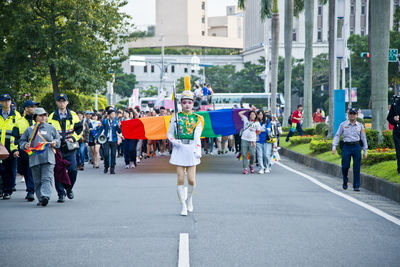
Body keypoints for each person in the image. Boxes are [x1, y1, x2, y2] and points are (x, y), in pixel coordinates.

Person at [167, 87, 203, 216]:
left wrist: (198, 149)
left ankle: (189, 199)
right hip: (179, 149)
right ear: (180, 103)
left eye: (189, 102)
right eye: (184, 102)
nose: (187, 105)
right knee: (180, 178)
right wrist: (174, 141)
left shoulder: (198, 119)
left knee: (192, 180)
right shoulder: (175, 117)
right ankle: (183, 205)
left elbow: (197, 135)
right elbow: (169, 133)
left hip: (191, 149)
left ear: (193, 103)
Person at [19, 108, 60, 206]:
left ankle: (45, 196)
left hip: (48, 158)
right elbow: (21, 142)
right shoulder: (29, 130)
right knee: (37, 180)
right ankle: (40, 198)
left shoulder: (51, 128)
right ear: (35, 117)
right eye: (40, 115)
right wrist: (25, 145)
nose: (43, 117)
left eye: (44, 115)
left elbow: (58, 140)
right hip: (34, 158)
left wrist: (55, 142)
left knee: (47, 178)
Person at [48, 93, 83, 203]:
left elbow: (79, 129)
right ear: (57, 102)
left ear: (67, 102)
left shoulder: (73, 115)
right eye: (60, 101)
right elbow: (49, 132)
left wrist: (73, 138)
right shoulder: (52, 116)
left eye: (64, 101)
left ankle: (69, 188)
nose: (62, 103)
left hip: (70, 147)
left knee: (73, 170)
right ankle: (61, 194)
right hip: (57, 149)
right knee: (58, 171)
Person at [332, 107, 368, 191]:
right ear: (348, 115)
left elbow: (363, 138)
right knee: (345, 166)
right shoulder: (343, 124)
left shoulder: (360, 126)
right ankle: (345, 179)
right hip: (346, 147)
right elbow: (337, 135)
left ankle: (356, 185)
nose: (352, 116)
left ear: (357, 115)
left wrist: (365, 150)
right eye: (350, 114)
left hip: (356, 146)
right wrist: (334, 146)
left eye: (354, 114)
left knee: (356, 167)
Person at [16, 100, 39, 201]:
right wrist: (15, 150)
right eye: (31, 107)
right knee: (23, 170)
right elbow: (15, 137)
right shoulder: (19, 122)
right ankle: (30, 188)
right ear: (26, 109)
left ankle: (31, 191)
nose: (33, 109)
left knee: (31, 170)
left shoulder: (38, 121)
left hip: (35, 151)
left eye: (34, 107)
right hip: (23, 150)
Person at [0, 94, 21, 199]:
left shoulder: (16, 115)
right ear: (1, 102)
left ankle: (8, 190)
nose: (6, 103)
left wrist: (17, 148)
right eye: (4, 101)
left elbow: (19, 132)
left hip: (11, 146)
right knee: (1, 169)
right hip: (0, 146)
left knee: (10, 169)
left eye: (8, 100)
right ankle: (1, 189)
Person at [96, 108, 121, 174]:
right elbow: (100, 130)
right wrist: (96, 138)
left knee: (113, 155)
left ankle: (112, 169)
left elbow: (119, 131)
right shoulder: (105, 121)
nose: (113, 115)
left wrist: (119, 126)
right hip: (106, 140)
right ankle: (106, 166)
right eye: (112, 114)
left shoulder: (116, 121)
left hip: (114, 140)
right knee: (106, 154)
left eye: (114, 114)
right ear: (109, 115)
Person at [238, 109, 261, 174]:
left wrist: (254, 136)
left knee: (252, 154)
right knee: (244, 154)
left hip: (252, 140)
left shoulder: (257, 123)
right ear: (249, 115)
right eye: (251, 114)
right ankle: (245, 168)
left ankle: (251, 164)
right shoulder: (246, 120)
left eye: (253, 114)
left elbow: (259, 131)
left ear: (255, 115)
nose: (252, 115)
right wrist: (246, 110)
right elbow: (240, 113)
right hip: (244, 139)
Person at [256, 110, 273, 174]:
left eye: (261, 114)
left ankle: (267, 167)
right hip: (258, 140)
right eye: (258, 114)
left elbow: (268, 130)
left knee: (266, 154)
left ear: (263, 115)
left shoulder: (267, 121)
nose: (260, 116)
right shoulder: (255, 122)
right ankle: (261, 168)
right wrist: (260, 130)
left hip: (266, 140)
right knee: (260, 155)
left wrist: (261, 130)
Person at [387, 96, 400, 175]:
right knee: (399, 151)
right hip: (398, 131)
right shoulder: (395, 103)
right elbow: (389, 118)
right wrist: (394, 119)